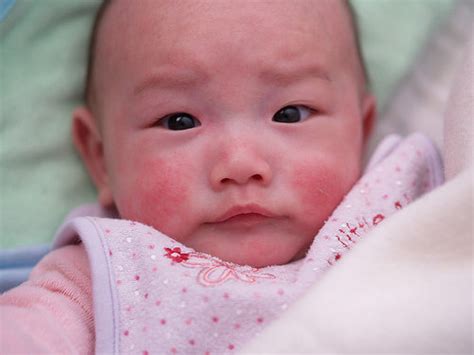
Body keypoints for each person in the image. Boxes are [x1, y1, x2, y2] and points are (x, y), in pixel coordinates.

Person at [0, 0, 443, 353]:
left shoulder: (403, 209)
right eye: (179, 121)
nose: (240, 164)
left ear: (360, 132)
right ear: (100, 158)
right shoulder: (104, 279)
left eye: (289, 114)